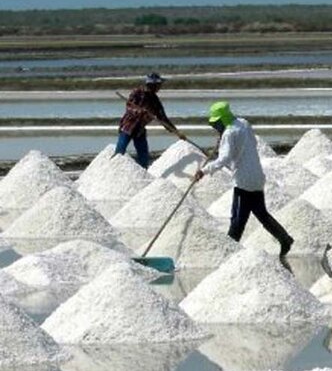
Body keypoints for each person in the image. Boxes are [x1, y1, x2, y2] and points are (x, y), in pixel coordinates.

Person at [193, 101, 293, 260]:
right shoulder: (244, 124)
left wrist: (204, 171)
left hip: (243, 181)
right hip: (257, 177)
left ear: (222, 120)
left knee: (238, 219)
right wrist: (224, 142)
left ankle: (228, 253)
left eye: (216, 123)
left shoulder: (229, 133)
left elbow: (224, 158)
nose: (215, 127)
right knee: (261, 214)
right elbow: (250, 144)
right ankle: (285, 239)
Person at [115, 72, 183, 168]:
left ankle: (143, 173)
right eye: (159, 85)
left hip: (140, 129)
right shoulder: (137, 92)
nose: (160, 87)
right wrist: (140, 111)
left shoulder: (155, 100)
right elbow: (129, 107)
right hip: (128, 126)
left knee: (143, 156)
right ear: (152, 85)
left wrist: (176, 131)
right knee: (120, 151)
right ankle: (114, 167)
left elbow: (162, 117)